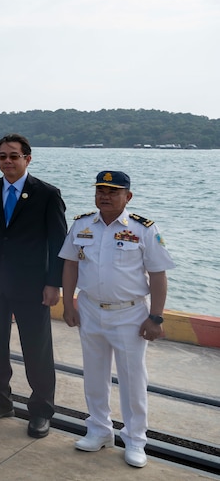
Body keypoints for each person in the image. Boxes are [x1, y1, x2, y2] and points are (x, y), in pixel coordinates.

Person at [60, 171, 173, 469]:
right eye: (100, 190)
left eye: (113, 191)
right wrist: (68, 303)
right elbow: (70, 265)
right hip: (90, 309)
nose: (105, 196)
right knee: (94, 375)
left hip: (130, 313)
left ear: (128, 197)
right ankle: (99, 430)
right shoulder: (82, 224)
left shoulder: (143, 229)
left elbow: (159, 276)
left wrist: (156, 317)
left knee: (132, 379)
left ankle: (135, 440)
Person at [0, 133, 67, 438]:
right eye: (2, 156)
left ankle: (40, 411)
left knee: (36, 350)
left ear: (28, 158)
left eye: (14, 156)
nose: (8, 161)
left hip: (32, 285)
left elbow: (58, 243)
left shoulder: (47, 194)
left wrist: (55, 283)